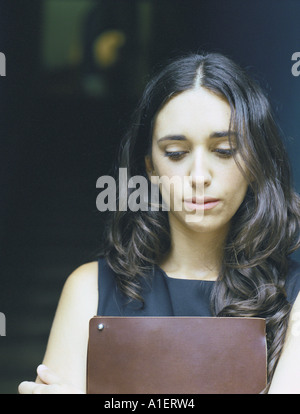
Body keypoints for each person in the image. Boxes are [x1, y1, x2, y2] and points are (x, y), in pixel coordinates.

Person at [18, 52, 300, 394]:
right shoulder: (88, 289)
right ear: (150, 167)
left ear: (255, 159)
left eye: (224, 150)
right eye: (177, 153)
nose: (199, 176)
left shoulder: (294, 295)